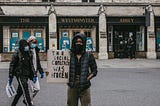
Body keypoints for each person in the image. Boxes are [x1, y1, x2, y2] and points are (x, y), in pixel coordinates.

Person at [67, 33, 98, 106]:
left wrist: (88, 78)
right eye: (77, 41)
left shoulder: (89, 55)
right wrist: (50, 72)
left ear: (84, 43)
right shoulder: (69, 55)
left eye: (80, 42)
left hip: (85, 85)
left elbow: (94, 70)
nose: (78, 43)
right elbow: (60, 67)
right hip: (72, 84)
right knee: (71, 104)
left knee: (86, 104)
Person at [8, 39, 36, 106]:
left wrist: (34, 74)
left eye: (26, 45)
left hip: (27, 74)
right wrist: (10, 76)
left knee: (20, 91)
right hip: (20, 74)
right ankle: (29, 104)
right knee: (25, 90)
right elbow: (12, 64)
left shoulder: (29, 53)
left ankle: (13, 104)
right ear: (21, 46)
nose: (26, 47)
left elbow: (31, 64)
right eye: (24, 45)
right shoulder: (17, 53)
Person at [27, 35, 44, 104]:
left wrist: (41, 71)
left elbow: (38, 62)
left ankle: (28, 99)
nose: (34, 43)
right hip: (29, 73)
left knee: (37, 89)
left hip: (35, 73)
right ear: (29, 42)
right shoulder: (27, 51)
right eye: (33, 42)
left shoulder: (36, 50)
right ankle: (29, 101)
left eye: (35, 42)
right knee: (30, 89)